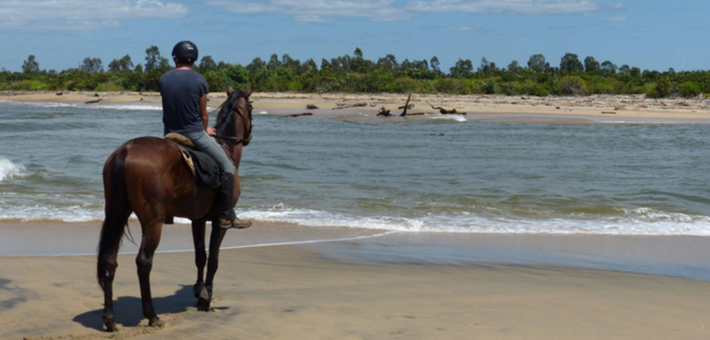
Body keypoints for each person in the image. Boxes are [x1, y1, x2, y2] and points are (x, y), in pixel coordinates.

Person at [159, 40, 251, 230]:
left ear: (176, 58)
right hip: (194, 134)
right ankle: (226, 216)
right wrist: (205, 129)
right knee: (227, 167)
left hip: (169, 134)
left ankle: (167, 214)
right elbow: (204, 114)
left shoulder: (164, 79)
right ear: (193, 60)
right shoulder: (199, 80)